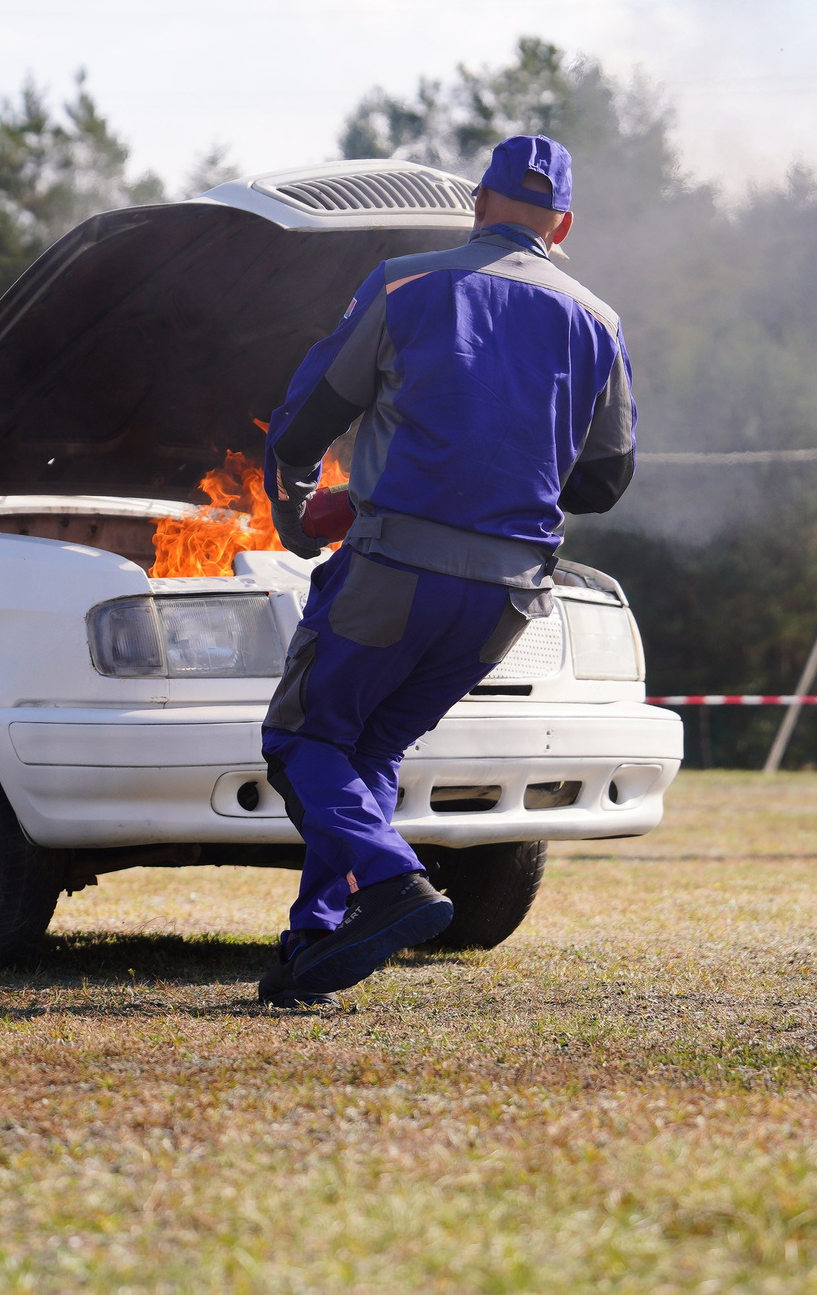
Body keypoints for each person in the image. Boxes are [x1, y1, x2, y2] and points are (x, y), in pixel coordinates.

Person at [254, 134, 636, 1006]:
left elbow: (308, 417)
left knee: (301, 738)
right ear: (563, 225)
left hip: (396, 572)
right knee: (369, 744)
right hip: (507, 598)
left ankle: (390, 880)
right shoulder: (600, 321)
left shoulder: (406, 283)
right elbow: (606, 478)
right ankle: (318, 937)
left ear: (476, 203)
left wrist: (296, 497)